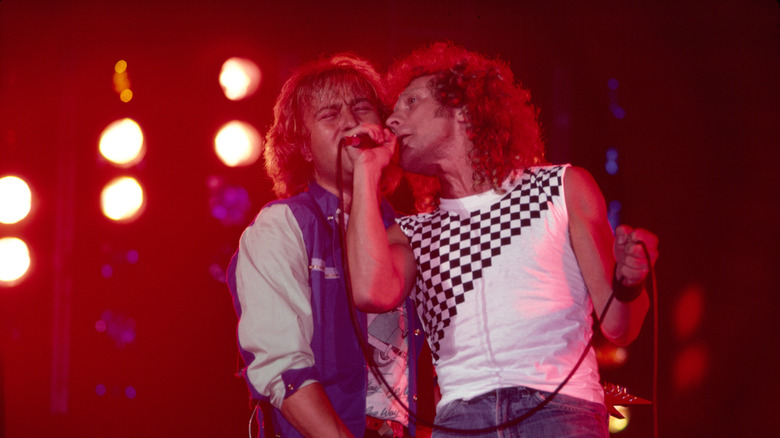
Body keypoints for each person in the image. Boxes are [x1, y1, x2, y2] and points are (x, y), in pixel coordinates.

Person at [346, 42, 659, 438]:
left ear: (463, 108)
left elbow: (619, 327)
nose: (393, 120)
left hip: (558, 412)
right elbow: (372, 292)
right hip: (461, 420)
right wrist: (365, 172)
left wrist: (630, 281)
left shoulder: (561, 187)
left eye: (411, 102)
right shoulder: (413, 232)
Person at [226, 53, 427, 438]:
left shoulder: (405, 232)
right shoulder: (282, 226)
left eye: (361, 108)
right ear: (303, 146)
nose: (351, 122)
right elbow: (281, 366)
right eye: (330, 115)